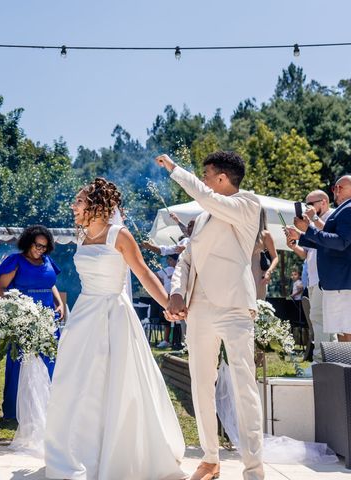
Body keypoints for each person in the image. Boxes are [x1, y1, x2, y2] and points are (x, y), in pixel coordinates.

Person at [44, 178, 185, 480]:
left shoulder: (119, 235)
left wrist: (168, 305)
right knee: (76, 383)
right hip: (84, 315)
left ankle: (117, 454)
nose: (73, 206)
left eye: (79, 200)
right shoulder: (82, 236)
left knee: (114, 383)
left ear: (96, 204)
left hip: (113, 317)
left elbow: (143, 273)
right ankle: (79, 451)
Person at [160, 151, 264, 480]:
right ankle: (209, 459)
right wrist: (177, 292)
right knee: (201, 383)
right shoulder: (203, 218)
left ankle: (254, 469)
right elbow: (187, 259)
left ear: (221, 178)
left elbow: (204, 195)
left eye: (206, 174)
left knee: (244, 386)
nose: (203, 179)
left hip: (234, 306)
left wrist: (176, 170)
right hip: (200, 309)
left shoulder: (248, 204)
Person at [0, 225, 65, 421]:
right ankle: (14, 411)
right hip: (24, 319)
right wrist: (19, 308)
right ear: (27, 242)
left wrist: (60, 304)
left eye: (44, 247)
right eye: (37, 245)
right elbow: (0, 289)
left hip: (48, 318)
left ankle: (46, 407)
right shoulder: (16, 261)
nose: (40, 249)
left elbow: (51, 284)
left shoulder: (47, 261)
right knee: (20, 362)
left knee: (49, 360)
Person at [286, 175, 351, 342]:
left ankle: (346, 367)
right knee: (343, 331)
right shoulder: (343, 210)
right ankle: (344, 366)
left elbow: (340, 242)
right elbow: (330, 243)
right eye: (334, 188)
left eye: (341, 187)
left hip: (342, 283)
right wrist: (300, 235)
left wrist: (308, 230)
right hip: (338, 283)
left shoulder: (348, 209)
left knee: (346, 331)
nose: (336, 191)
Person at [285, 189, 336, 362]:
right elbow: (306, 254)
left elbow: (332, 239)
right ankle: (331, 359)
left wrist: (310, 224)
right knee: (321, 320)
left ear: (323, 202)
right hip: (314, 278)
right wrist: (294, 244)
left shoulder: (332, 217)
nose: (307, 209)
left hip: (326, 277)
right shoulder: (313, 223)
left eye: (310, 204)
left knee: (321, 319)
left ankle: (320, 360)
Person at [252, 208, 279, 300]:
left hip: (256, 272)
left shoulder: (265, 234)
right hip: (241, 270)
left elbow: (275, 257)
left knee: (256, 302)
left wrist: (269, 271)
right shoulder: (243, 231)